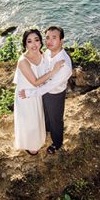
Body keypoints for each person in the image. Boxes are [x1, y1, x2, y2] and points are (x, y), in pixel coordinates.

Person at [19, 26, 72, 154]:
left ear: (61, 41)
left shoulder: (64, 65)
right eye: (47, 37)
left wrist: (29, 93)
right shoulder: (47, 52)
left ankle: (57, 143)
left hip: (55, 94)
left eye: (54, 38)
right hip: (43, 90)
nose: (49, 41)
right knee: (46, 114)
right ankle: (47, 130)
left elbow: (49, 86)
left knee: (56, 119)